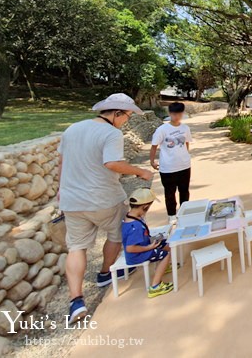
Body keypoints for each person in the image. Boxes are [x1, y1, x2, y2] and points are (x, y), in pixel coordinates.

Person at [58, 93, 153, 322]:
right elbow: (112, 163)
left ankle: (76, 301)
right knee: (115, 234)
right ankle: (104, 273)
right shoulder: (111, 133)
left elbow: (62, 160)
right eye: (127, 116)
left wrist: (61, 188)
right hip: (103, 198)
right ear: (116, 113)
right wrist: (141, 171)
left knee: (77, 247)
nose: (127, 120)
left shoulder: (72, 129)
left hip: (72, 200)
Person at [122, 188, 174, 298]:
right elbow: (130, 248)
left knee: (166, 244)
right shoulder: (134, 226)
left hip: (143, 246)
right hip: (137, 254)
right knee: (165, 255)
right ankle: (155, 286)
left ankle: (164, 266)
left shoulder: (131, 216)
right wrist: (149, 247)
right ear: (145, 206)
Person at [150, 102, 192, 224]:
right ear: (170, 114)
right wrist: (152, 161)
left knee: (184, 191)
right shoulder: (162, 130)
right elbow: (154, 146)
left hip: (184, 165)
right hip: (168, 167)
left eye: (179, 113)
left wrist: (186, 156)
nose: (177, 116)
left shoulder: (185, 128)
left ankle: (184, 212)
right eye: (174, 114)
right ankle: (171, 215)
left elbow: (186, 143)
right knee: (170, 193)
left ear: (182, 113)